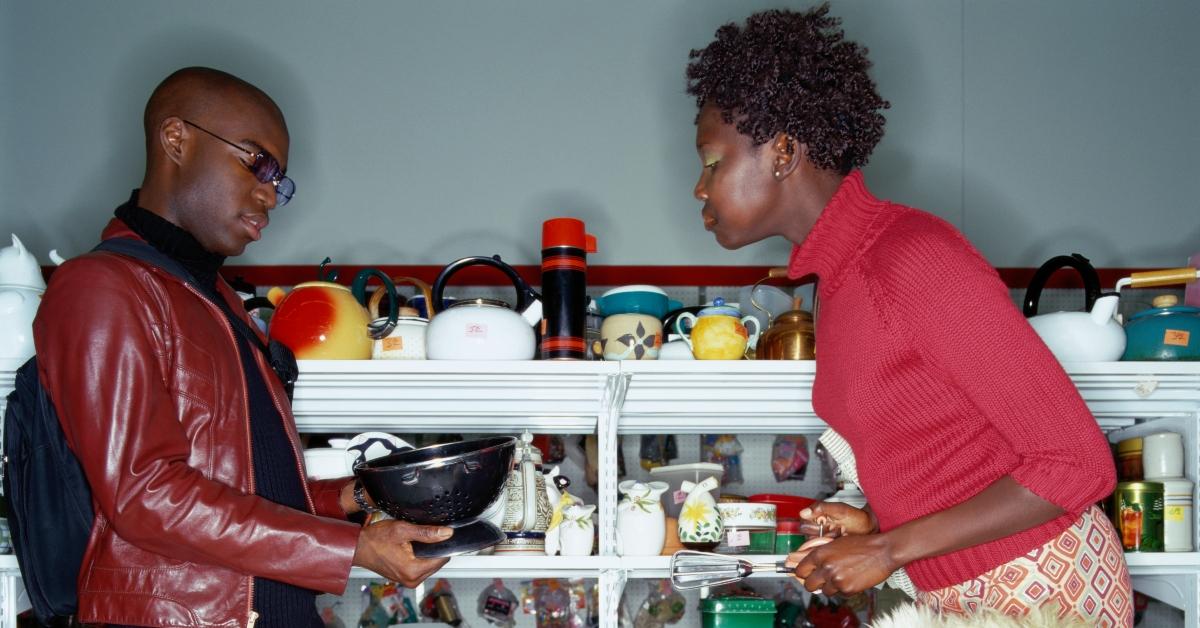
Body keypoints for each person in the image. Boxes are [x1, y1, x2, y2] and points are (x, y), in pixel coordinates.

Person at [685, 7, 1132, 626]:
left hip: (1043, 587)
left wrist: (886, 548)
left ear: (783, 151)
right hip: (963, 588)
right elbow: (946, 457)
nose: (700, 190)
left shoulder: (912, 256)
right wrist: (874, 523)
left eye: (712, 162)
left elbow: (1077, 463)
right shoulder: (836, 282)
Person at [33, 67, 451, 627]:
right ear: (176, 139)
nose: (270, 195)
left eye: (280, 181)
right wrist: (352, 549)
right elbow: (145, 495)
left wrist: (361, 495)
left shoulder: (220, 303)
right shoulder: (102, 286)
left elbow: (252, 490)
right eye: (257, 163)